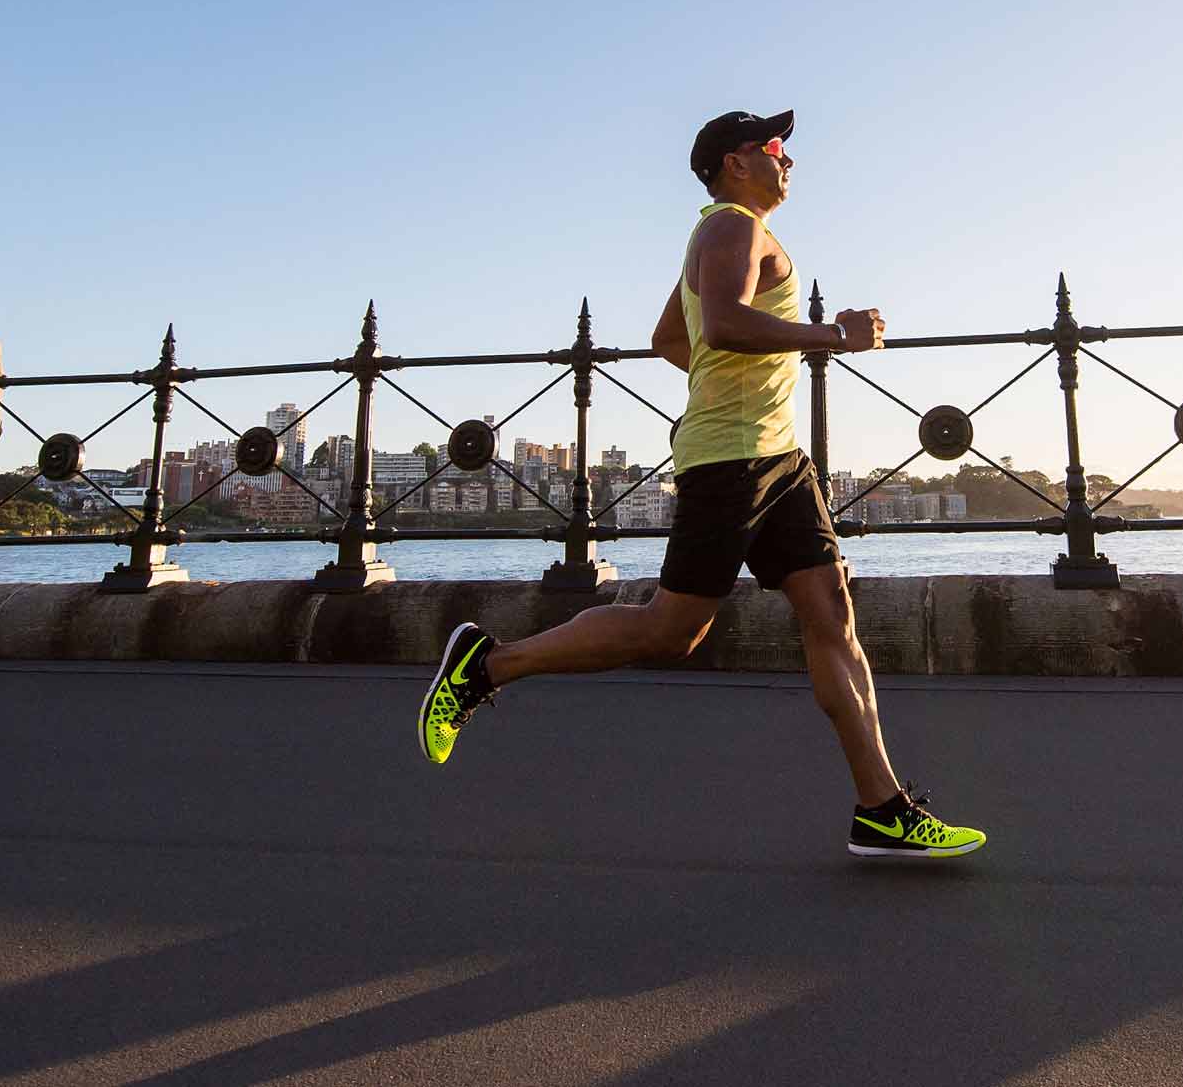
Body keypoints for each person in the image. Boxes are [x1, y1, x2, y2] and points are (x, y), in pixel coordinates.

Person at [417, 110, 986, 860]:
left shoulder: (737, 232)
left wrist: (735, 389)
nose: (788, 160)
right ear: (731, 162)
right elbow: (718, 325)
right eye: (773, 148)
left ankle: (882, 807)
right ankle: (485, 665)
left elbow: (670, 339)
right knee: (671, 631)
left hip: (779, 459)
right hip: (732, 463)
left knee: (832, 612)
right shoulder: (729, 229)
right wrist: (831, 336)